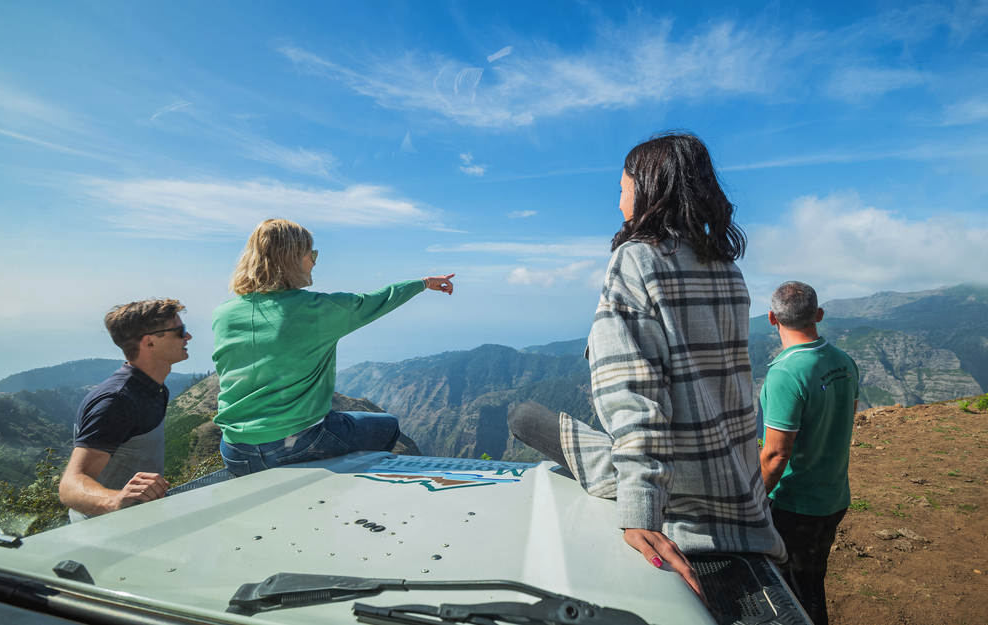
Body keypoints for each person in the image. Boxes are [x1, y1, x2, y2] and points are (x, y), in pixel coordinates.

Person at [508, 132, 785, 603]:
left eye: (621, 189)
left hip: (677, 494)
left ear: (648, 188)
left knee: (521, 417)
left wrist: (640, 512)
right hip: (741, 491)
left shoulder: (635, 260)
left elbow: (635, 400)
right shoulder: (727, 269)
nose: (618, 204)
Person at [212, 219, 454, 476]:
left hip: (234, 451)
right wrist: (425, 282)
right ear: (292, 259)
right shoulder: (317, 309)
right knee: (388, 427)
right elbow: (379, 300)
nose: (315, 261)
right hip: (297, 445)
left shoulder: (223, 314)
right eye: (311, 254)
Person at [759, 281, 858, 625]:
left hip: (796, 506)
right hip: (834, 498)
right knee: (813, 584)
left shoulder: (786, 373)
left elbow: (775, 455)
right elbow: (845, 416)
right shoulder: (844, 361)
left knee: (796, 596)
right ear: (818, 315)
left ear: (772, 318)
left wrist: (754, 497)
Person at [59, 299, 190, 522]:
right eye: (179, 331)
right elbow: (70, 485)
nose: (187, 337)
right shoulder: (118, 401)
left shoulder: (153, 388)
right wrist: (116, 500)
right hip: (105, 529)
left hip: (132, 522)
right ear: (149, 343)